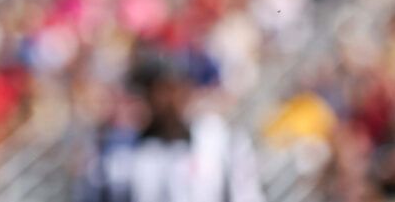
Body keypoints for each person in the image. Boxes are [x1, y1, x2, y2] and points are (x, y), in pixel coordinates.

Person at [77, 55, 263, 202]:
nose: (162, 101)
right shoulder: (116, 154)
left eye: (170, 90)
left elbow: (246, 196)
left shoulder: (220, 143)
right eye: (152, 92)